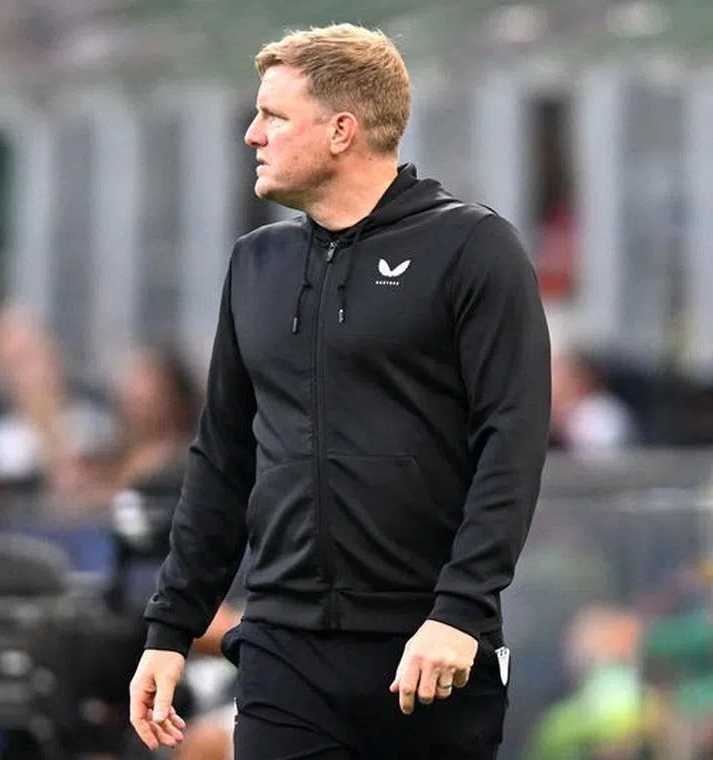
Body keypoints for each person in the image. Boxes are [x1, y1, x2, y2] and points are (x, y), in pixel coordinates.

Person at [128, 22, 551, 760]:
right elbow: (222, 457)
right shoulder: (256, 263)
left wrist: (460, 611)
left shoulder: (473, 248)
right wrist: (171, 629)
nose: (254, 134)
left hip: (432, 649)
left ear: (341, 130)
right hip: (283, 652)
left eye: (274, 115)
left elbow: (511, 443)